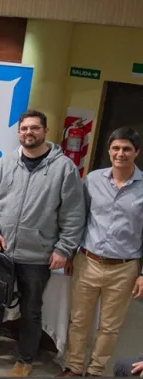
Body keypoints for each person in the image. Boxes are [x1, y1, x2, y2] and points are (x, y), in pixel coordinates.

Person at [0, 110, 86, 377]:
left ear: (45, 131)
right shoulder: (6, 163)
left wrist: (63, 248)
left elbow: (74, 213)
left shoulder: (64, 168)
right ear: (18, 132)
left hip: (38, 255)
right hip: (2, 251)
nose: (29, 133)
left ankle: (25, 359)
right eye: (24, 129)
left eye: (34, 128)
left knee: (31, 311)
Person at [59, 128, 143, 377]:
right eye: (116, 148)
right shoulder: (92, 180)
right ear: (108, 150)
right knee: (79, 320)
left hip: (124, 267)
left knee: (109, 327)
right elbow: (78, 219)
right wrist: (70, 252)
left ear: (136, 152)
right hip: (88, 260)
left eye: (127, 149)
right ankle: (74, 367)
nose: (120, 154)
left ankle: (95, 370)